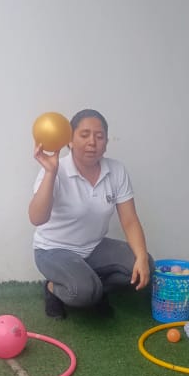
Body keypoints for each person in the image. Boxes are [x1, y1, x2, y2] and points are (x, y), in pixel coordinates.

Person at [29, 108, 153, 319]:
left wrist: (141, 257)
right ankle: (53, 288)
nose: (92, 142)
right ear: (70, 140)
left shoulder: (116, 170)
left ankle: (92, 285)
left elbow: (130, 220)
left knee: (145, 265)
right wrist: (50, 172)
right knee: (84, 293)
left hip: (93, 247)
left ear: (106, 142)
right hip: (53, 250)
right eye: (84, 135)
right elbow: (37, 218)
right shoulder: (55, 170)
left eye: (99, 136)